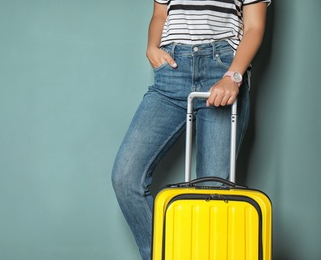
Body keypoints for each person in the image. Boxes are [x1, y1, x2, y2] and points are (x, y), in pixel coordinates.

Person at [111, 0, 271, 259]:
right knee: (126, 177)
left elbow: (254, 26)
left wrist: (233, 77)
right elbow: (160, 13)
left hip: (222, 70)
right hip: (173, 71)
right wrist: (152, 46)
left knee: (212, 195)